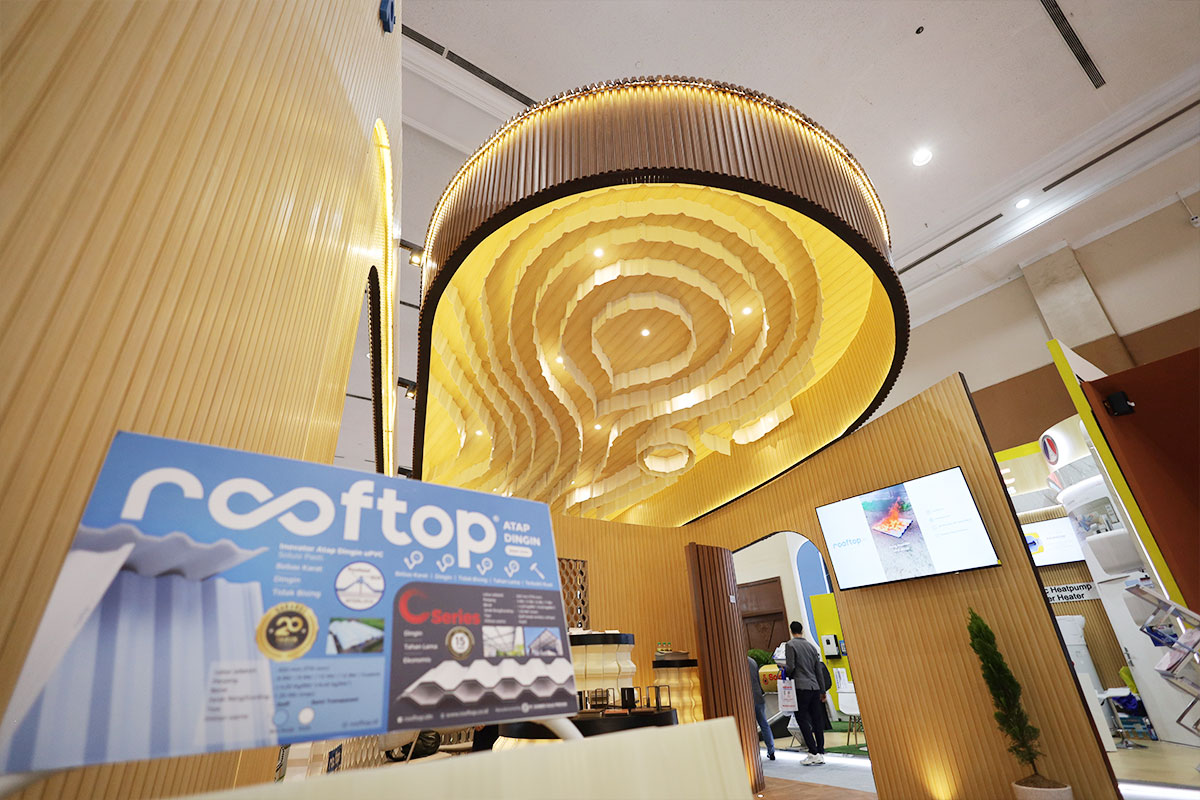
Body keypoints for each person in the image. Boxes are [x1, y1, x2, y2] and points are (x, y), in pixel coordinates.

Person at [784, 620, 825, 765]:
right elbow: (818, 670)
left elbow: (791, 667)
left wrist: (783, 670)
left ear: (791, 631)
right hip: (814, 687)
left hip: (801, 687)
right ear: (802, 630)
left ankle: (812, 752)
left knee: (801, 718)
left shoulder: (790, 645)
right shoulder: (811, 646)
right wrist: (822, 690)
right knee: (816, 719)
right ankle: (820, 751)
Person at [747, 655, 775, 760]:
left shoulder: (736, 663)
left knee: (748, 727)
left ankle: (752, 753)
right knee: (764, 724)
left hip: (746, 699)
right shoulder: (752, 661)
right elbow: (758, 681)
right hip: (758, 696)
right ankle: (771, 751)